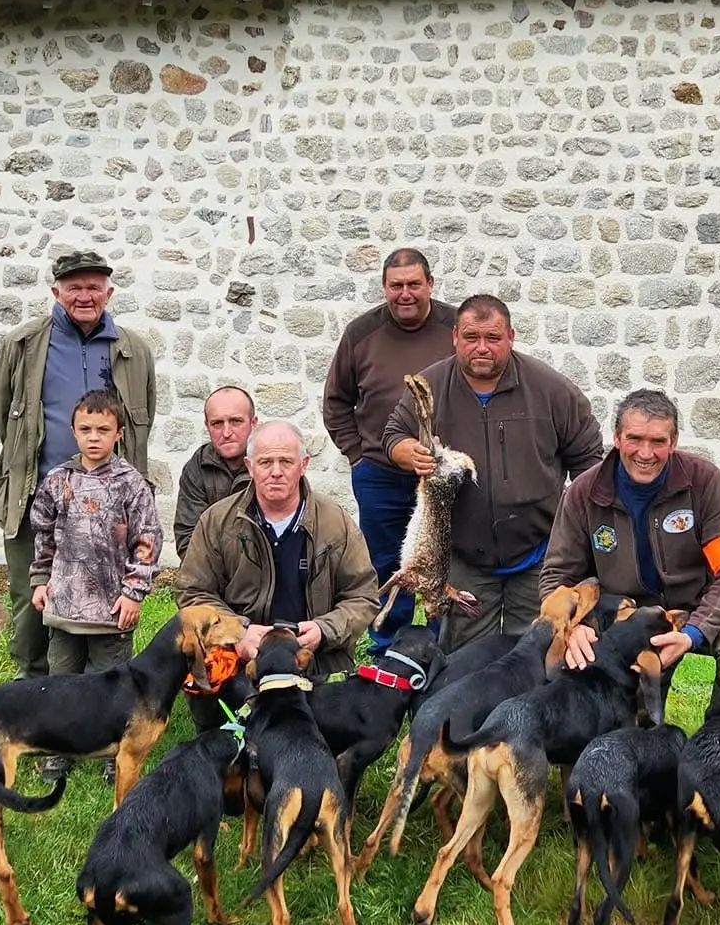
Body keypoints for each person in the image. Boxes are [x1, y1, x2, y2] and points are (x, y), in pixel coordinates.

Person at [381, 293, 605, 652]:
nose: (481, 347)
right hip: (463, 557)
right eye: (471, 338)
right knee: (462, 662)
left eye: (493, 338)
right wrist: (411, 453)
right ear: (455, 337)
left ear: (511, 337)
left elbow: (589, 462)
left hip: (539, 557)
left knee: (535, 656)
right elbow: (393, 436)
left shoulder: (552, 390)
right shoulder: (430, 386)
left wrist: (579, 538)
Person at [0, 249, 156, 679]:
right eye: (75, 288)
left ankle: (98, 693)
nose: (85, 296)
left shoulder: (134, 350)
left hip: (110, 507)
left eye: (93, 288)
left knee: (107, 593)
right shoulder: (23, 344)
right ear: (56, 292)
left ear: (109, 292)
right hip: (39, 494)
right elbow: (4, 412)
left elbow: (143, 419)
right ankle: (34, 689)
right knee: (31, 596)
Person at [543, 387, 720, 705]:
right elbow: (557, 577)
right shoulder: (583, 493)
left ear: (673, 442)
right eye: (635, 439)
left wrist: (692, 633)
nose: (645, 453)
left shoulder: (704, 482)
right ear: (617, 438)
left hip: (698, 606)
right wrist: (572, 627)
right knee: (628, 732)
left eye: (658, 442)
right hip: (629, 616)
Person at [174, 419, 379, 703]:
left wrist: (325, 630)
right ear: (249, 467)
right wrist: (238, 633)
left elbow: (363, 596)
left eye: (286, 461)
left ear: (304, 464)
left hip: (313, 663)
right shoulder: (217, 522)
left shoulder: (336, 523)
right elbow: (192, 591)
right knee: (226, 738)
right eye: (265, 462)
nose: (276, 472)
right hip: (239, 663)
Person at [322, 249, 456, 644]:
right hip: (379, 475)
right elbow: (336, 402)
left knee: (443, 563)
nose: (405, 294)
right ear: (384, 287)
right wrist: (358, 455)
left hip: (440, 479)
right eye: (396, 286)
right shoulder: (360, 334)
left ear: (430, 284)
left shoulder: (455, 328)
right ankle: (389, 648)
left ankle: (441, 645)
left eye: (414, 284)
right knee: (385, 565)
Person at [29, 390, 163, 676]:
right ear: (73, 432)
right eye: (85, 429)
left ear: (119, 433)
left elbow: (147, 541)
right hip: (64, 607)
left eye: (103, 430)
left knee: (109, 691)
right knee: (60, 689)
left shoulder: (132, 484)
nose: (93, 437)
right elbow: (44, 535)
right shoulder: (57, 480)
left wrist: (133, 593)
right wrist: (40, 580)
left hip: (111, 613)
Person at [172, 385, 257, 559]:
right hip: (210, 574)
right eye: (217, 423)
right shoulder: (196, 469)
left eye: (236, 421)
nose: (226, 432)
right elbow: (187, 540)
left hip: (263, 575)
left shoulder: (270, 463)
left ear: (253, 423)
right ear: (207, 426)